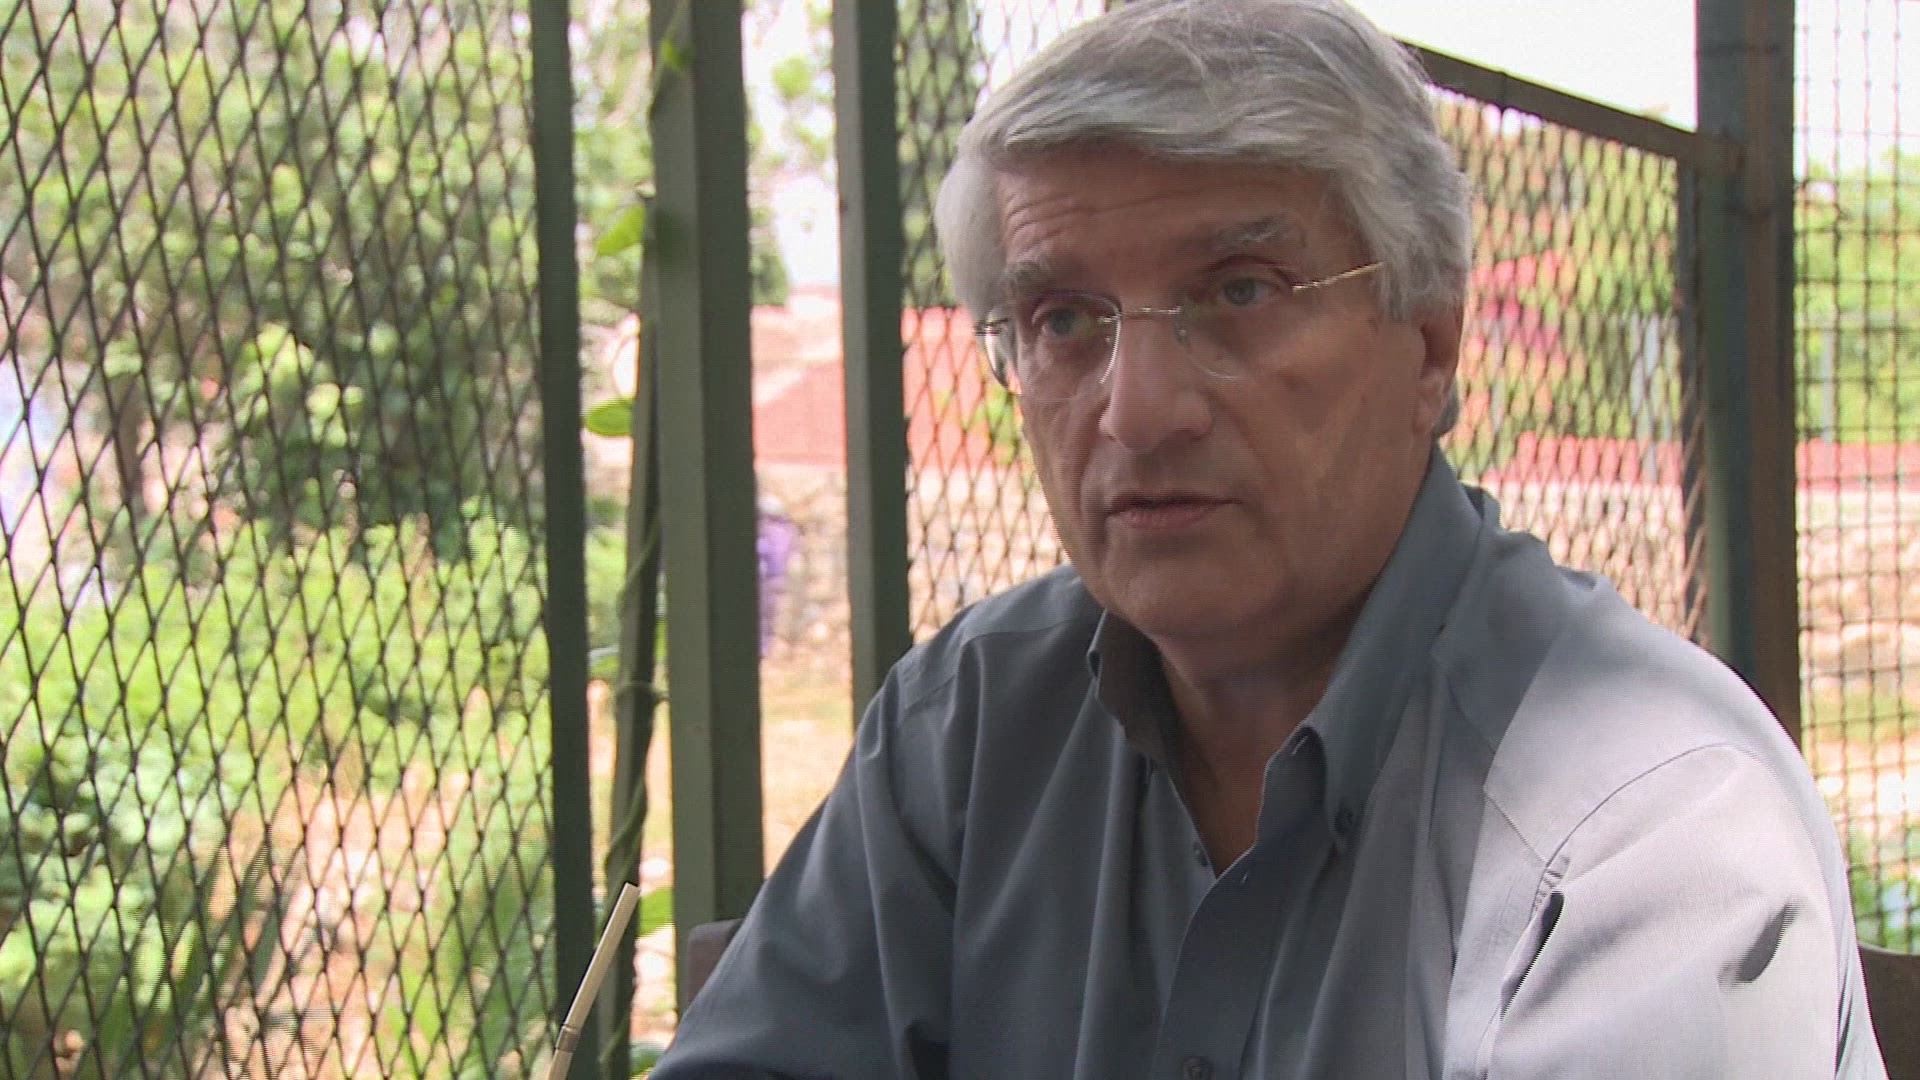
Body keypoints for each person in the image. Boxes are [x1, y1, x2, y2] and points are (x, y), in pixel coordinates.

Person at [654, 0, 1888, 1075]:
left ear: (1430, 343)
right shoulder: (968, 727)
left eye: (1239, 290)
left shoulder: (1646, 830)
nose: (1138, 411)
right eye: (1066, 318)